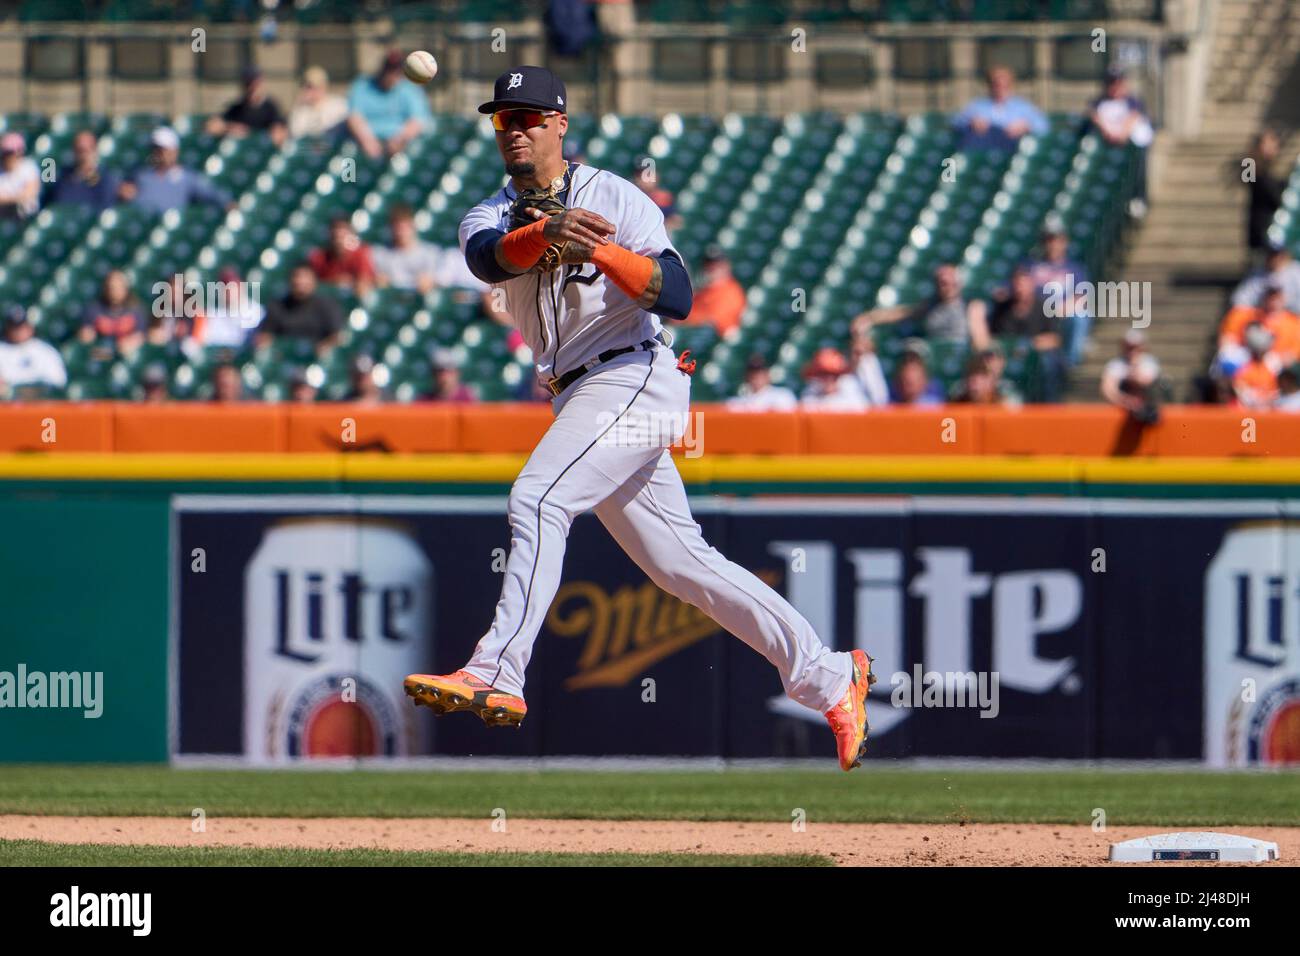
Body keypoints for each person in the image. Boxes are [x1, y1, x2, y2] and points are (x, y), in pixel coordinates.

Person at [405, 65, 877, 774]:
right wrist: (542, 235)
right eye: (505, 120)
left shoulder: (614, 197)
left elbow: (678, 295)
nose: (517, 131)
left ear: (560, 125)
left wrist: (595, 246)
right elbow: (488, 260)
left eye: (531, 117)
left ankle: (498, 669)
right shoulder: (490, 211)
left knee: (538, 496)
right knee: (681, 563)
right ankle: (829, 675)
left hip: (634, 374)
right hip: (579, 394)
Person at [857, 263, 988, 347]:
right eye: (942, 283)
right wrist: (869, 317)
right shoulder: (930, 307)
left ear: (958, 284)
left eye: (949, 282)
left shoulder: (972, 307)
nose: (946, 287)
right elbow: (903, 313)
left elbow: (980, 340)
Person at [987, 266, 1065, 402]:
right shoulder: (1002, 309)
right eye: (1016, 284)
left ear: (1032, 285)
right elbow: (993, 338)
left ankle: (1049, 406)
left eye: (1023, 284)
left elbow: (1055, 339)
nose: (1020, 289)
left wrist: (1028, 346)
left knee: (1049, 363)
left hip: (1036, 356)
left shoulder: (1045, 306)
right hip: (1007, 356)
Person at [119, 127, 233, 215]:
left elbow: (214, 195)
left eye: (164, 149)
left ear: (175, 151)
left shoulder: (188, 177)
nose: (160, 154)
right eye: (156, 149)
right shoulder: (140, 175)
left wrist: (228, 205)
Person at [1022, 226, 1092, 366]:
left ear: (1064, 242)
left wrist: (1062, 309)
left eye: (1057, 240)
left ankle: (1070, 363)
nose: (1053, 245)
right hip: (1036, 313)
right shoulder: (1032, 265)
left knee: (1080, 316)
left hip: (1063, 314)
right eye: (1049, 240)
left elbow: (1082, 295)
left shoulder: (1074, 268)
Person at [1088, 65, 1153, 217]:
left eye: (1118, 82)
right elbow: (1094, 116)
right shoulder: (1098, 102)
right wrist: (1109, 132)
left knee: (1137, 167)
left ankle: (1138, 198)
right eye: (1111, 83)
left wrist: (1121, 133)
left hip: (1130, 146)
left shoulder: (1132, 101)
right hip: (1108, 144)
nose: (1115, 87)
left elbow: (1133, 118)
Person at [346, 49, 432, 159]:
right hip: (366, 145)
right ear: (383, 69)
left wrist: (400, 140)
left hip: (402, 146)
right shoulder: (363, 85)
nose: (392, 75)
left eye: (396, 71)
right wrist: (368, 141)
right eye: (390, 70)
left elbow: (417, 120)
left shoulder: (410, 88)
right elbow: (354, 117)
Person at [953, 66, 1048, 152]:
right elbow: (955, 122)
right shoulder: (977, 105)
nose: (1000, 88)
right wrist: (972, 122)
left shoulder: (1023, 107)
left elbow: (1043, 127)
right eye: (996, 84)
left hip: (1012, 146)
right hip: (983, 145)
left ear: (1011, 84)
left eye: (1004, 85)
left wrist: (1025, 126)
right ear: (989, 85)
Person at [257, 263, 344, 349]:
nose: (300, 281)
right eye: (296, 276)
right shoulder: (277, 306)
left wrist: (325, 347)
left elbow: (337, 336)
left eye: (305, 277)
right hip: (283, 357)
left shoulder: (327, 305)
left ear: (314, 281)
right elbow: (265, 336)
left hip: (317, 358)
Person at [206, 66, 287, 146]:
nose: (252, 88)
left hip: (262, 151)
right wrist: (229, 128)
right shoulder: (238, 108)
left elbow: (279, 133)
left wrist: (272, 134)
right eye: (248, 84)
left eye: (255, 84)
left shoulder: (270, 107)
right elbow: (212, 126)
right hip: (241, 151)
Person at [47, 130, 120, 212]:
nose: (83, 155)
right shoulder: (63, 175)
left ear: (95, 151)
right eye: (79, 150)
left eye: (87, 150)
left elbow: (105, 208)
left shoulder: (106, 178)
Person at [0, 307, 67, 396]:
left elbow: (59, 381)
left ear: (30, 327)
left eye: (22, 327)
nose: (18, 332)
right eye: (14, 328)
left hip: (42, 402)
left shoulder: (45, 350)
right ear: (8, 329)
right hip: (11, 403)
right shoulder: (2, 350)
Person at [1100, 329, 1162, 424]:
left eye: (1135, 347)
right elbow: (1108, 389)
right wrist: (1125, 400)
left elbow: (1145, 382)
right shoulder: (1115, 364)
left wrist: (1134, 366)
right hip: (1122, 410)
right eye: (1129, 347)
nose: (1132, 351)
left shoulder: (1150, 363)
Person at [683, 245, 745, 337]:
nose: (712, 270)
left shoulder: (730, 293)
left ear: (727, 266)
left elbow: (686, 316)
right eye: (709, 266)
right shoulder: (706, 286)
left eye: (717, 266)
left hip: (718, 334)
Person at [1245, 129, 1286, 267]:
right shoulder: (1250, 164)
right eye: (1269, 143)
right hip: (1261, 229)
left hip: (1273, 227)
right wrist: (1253, 154)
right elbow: (1248, 177)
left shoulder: (1268, 169)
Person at [308, 216, 376, 297]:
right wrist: (334, 282)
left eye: (343, 231)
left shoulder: (361, 254)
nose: (338, 235)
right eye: (335, 231)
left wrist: (352, 282)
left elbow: (365, 280)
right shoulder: (319, 258)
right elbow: (310, 284)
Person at [79, 269, 147, 350]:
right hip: (102, 352)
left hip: (128, 354)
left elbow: (142, 335)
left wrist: (132, 342)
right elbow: (85, 333)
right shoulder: (94, 309)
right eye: (111, 287)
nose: (114, 292)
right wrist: (86, 335)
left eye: (118, 287)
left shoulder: (136, 309)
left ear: (125, 288)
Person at [1231, 241, 1300, 315]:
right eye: (1271, 254)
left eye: (1277, 254)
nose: (1275, 258)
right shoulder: (1257, 274)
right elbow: (1239, 300)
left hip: (1292, 318)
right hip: (1263, 318)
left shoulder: (1296, 271)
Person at [799, 346, 869, 411]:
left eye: (834, 375)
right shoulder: (810, 394)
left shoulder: (852, 392)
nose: (829, 379)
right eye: (823, 374)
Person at [289, 66, 349, 141]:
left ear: (324, 86)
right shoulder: (301, 110)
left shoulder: (339, 105)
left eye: (316, 86)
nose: (312, 91)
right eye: (308, 87)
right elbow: (296, 135)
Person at [1232, 323, 1281, 408]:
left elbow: (1277, 391)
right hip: (1251, 410)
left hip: (1271, 408)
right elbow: (1241, 391)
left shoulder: (1273, 364)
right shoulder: (1244, 367)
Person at [726, 354, 797, 411]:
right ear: (746, 376)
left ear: (767, 375)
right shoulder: (739, 401)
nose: (756, 377)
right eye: (752, 373)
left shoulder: (783, 395)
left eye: (760, 373)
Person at [848, 314, 890, 405]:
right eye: (857, 336)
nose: (860, 341)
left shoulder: (871, 361)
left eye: (864, 336)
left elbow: (879, 398)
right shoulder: (845, 360)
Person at [0, 132, 40, 219]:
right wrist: (16, 198)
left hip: (25, 217)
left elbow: (30, 193)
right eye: (6, 153)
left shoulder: (29, 167)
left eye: (11, 152)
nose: (9, 156)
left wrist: (7, 199)